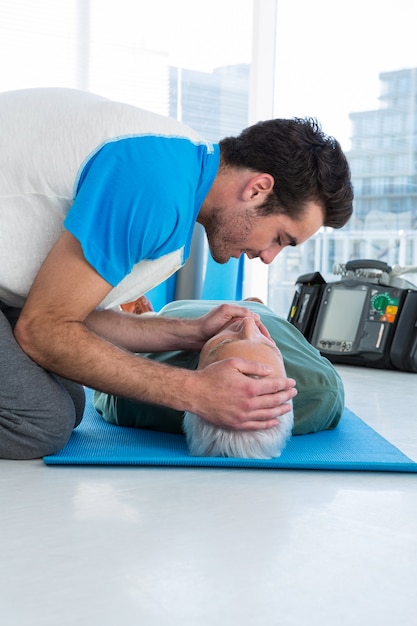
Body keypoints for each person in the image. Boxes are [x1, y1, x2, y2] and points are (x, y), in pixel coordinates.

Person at [0, 87, 353, 459]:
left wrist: (188, 332)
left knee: (69, 401)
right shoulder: (157, 186)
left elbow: (72, 316)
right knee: (39, 422)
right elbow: (43, 329)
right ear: (258, 190)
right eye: (280, 238)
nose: (268, 258)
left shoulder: (182, 172)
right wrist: (196, 392)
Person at [94, 299, 344, 459]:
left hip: (175, 312)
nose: (248, 323)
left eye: (224, 343)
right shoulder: (320, 391)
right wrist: (256, 310)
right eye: (269, 348)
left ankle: (143, 311)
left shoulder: (132, 401)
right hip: (264, 310)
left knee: (141, 318)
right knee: (255, 304)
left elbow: (100, 368)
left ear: (198, 371)